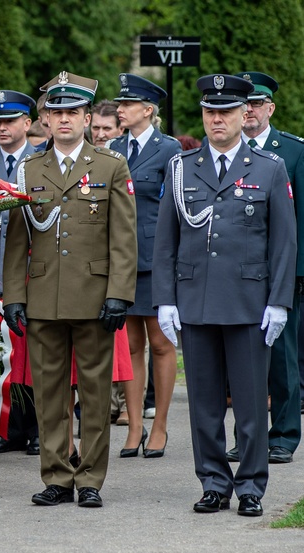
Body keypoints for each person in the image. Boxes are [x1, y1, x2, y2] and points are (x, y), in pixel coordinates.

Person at [154, 74, 296, 517]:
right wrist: (165, 299)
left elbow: (284, 243)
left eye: (227, 112)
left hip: (249, 303)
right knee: (204, 404)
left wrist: (279, 301)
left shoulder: (269, 168)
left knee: (252, 405)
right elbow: (165, 240)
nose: (218, 119)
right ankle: (214, 482)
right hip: (195, 300)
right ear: (203, 115)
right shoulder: (181, 168)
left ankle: (251, 485)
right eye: (211, 112)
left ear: (243, 115)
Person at [3, 71, 138, 508]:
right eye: (56, 112)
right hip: (43, 295)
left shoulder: (110, 165)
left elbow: (123, 236)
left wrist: (120, 292)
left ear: (86, 118)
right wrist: (13, 296)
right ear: (43, 119)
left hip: (95, 295)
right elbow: (17, 239)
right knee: (49, 393)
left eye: (72, 113)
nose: (64, 120)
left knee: (95, 394)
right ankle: (57, 476)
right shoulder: (29, 169)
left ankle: (91, 478)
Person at [224, 72, 304, 465]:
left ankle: (285, 435)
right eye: (245, 104)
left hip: (281, 272)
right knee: (245, 362)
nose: (250, 110)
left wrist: (297, 273)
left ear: (269, 108)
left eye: (257, 104)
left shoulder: (292, 151)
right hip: (238, 273)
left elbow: (300, 216)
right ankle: (248, 436)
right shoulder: (228, 152)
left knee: (284, 358)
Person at [109, 74, 182, 459]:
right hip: (122, 258)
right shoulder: (113, 147)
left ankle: (160, 426)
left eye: (127, 105)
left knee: (160, 342)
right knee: (131, 344)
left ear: (148, 110)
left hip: (156, 260)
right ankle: (133, 426)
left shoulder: (169, 149)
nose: (119, 110)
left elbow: (175, 208)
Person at [0, 89, 41, 457]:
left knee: (33, 356)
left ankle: (38, 428)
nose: (2, 128)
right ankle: (7, 428)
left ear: (27, 124)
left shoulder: (41, 161)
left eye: (9, 121)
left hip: (32, 274)